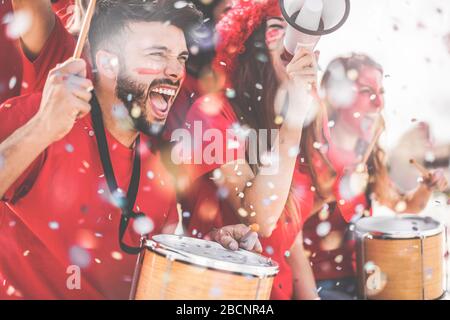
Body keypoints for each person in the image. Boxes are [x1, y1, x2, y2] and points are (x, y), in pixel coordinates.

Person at [0, 0, 260, 299]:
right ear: (109, 63)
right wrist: (43, 127)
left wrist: (207, 251)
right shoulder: (40, 114)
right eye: (157, 54)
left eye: (180, 57)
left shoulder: (160, 160)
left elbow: (151, 271)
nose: (176, 71)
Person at [174, 0, 319, 300]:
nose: (294, 41)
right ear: (249, 47)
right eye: (278, 28)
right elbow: (261, 218)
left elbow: (292, 243)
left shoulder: (298, 128)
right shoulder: (212, 114)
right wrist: (293, 120)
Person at [298, 53, 448, 299]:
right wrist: (336, 187)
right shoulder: (312, 153)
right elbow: (286, 227)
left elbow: (406, 206)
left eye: (381, 92)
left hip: (361, 279)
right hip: (316, 284)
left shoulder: (368, 156)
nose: (378, 103)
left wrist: (426, 188)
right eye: (367, 91)